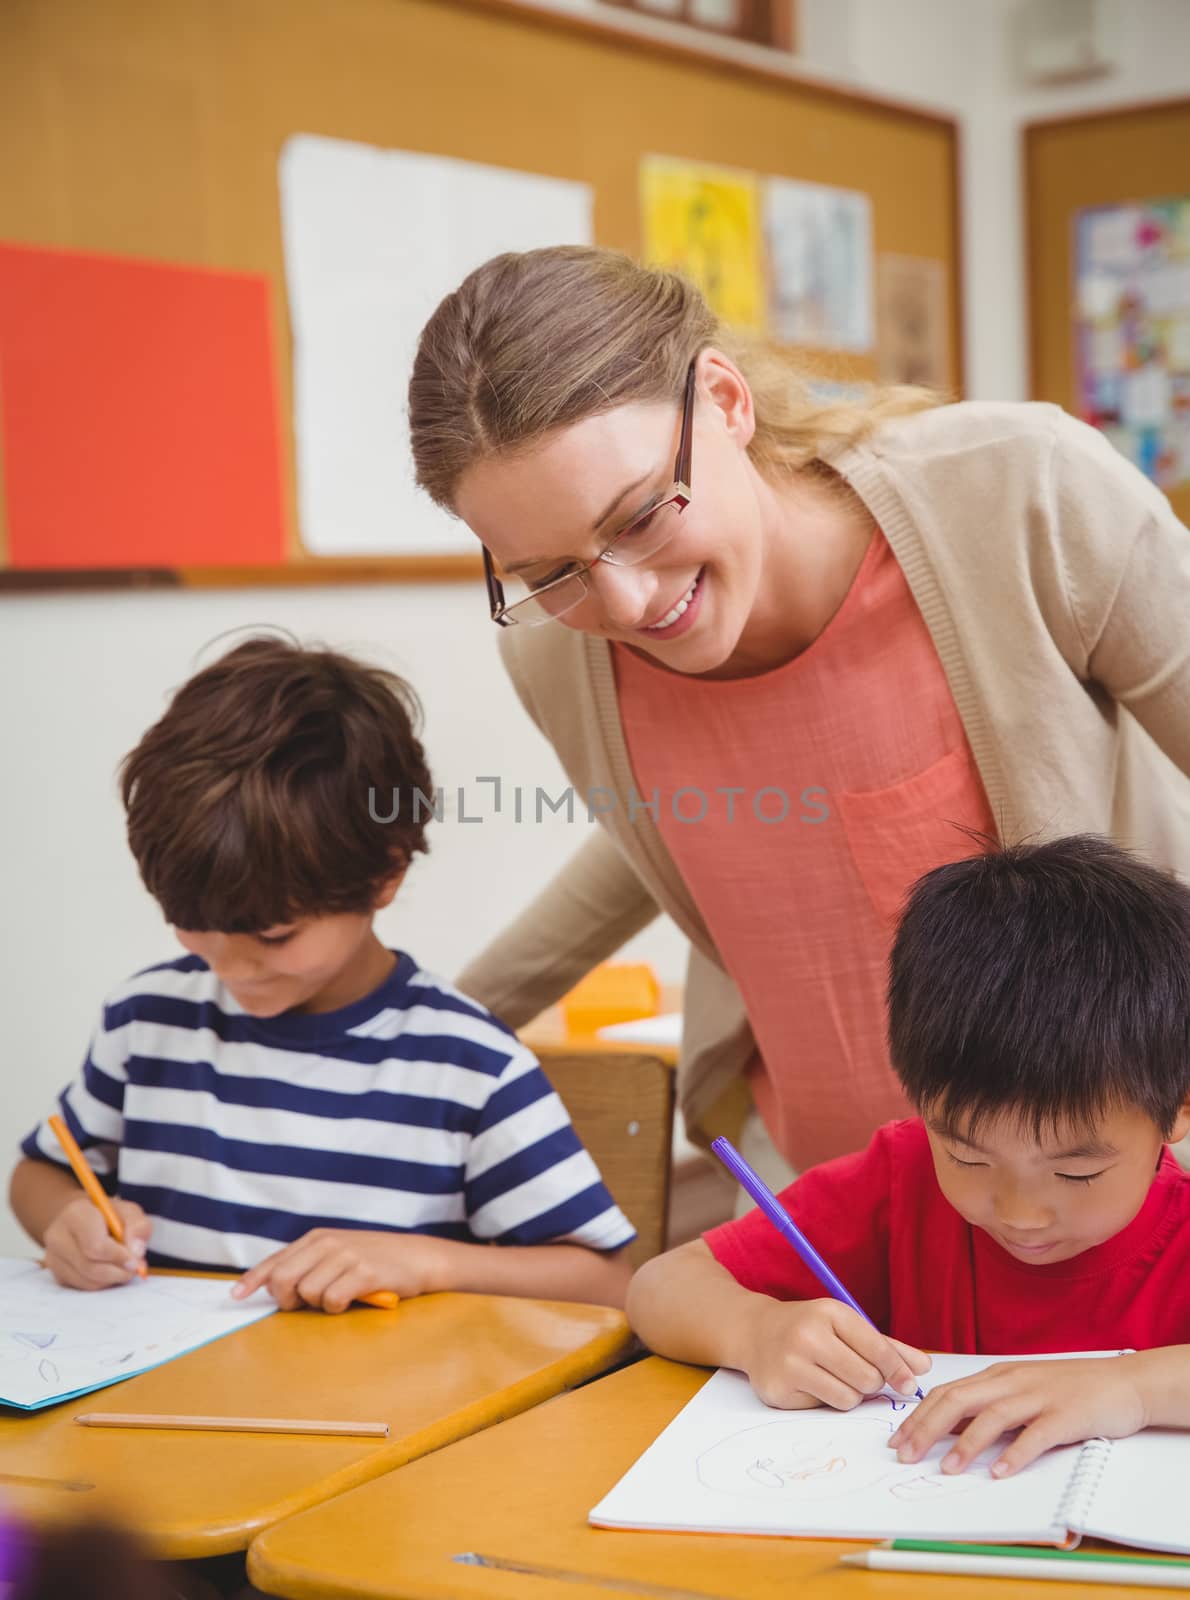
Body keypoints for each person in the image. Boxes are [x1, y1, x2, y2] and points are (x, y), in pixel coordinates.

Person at [408, 244, 1190, 1186]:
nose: (623, 607)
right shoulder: (557, 654)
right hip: (824, 1211)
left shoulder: (1019, 490)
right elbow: (681, 826)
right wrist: (432, 1035)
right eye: (548, 572)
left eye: (642, 516)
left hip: (1100, 1194)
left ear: (727, 402)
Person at [10, 638, 634, 1310]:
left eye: (274, 936)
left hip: (382, 1413)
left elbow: (607, 1281)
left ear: (386, 872)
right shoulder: (147, 1021)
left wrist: (426, 1262)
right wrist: (65, 1221)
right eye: (191, 925)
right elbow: (40, 1173)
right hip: (162, 1407)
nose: (230, 967)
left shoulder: (468, 1066)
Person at [626, 835, 1190, 1479]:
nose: (1021, 1212)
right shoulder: (901, 1179)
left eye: (1076, 1172)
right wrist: (756, 1329)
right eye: (968, 1158)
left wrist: (1134, 1388)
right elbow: (658, 1288)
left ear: (1177, 1107)